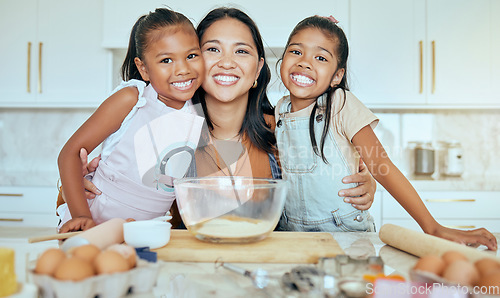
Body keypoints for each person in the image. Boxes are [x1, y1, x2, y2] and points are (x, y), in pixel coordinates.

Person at [59, 8, 378, 232]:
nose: (226, 62)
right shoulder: (164, 133)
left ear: (257, 70)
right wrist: (79, 188)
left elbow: (337, 173)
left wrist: (365, 183)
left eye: (241, 52)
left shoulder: (283, 130)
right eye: (212, 49)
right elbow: (93, 198)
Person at [274, 15, 497, 250]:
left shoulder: (340, 103)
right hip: (293, 238)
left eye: (320, 57)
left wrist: (432, 227)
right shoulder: (279, 110)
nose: (304, 62)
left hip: (346, 238)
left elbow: (381, 164)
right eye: (296, 52)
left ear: (337, 76)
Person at [57, 8, 206, 232]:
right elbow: (69, 153)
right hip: (96, 218)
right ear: (143, 68)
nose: (183, 69)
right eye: (166, 60)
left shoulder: (197, 115)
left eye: (191, 56)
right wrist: (81, 216)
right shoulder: (133, 99)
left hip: (144, 232)